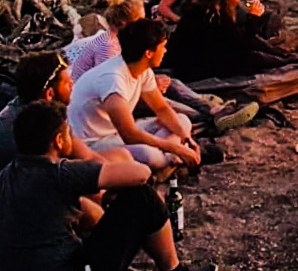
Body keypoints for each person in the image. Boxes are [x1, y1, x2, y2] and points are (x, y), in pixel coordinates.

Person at [0, 101, 216, 271]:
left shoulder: (6, 175)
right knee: (141, 197)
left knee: (83, 210)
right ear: (60, 140)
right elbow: (141, 172)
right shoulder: (61, 174)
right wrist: (86, 164)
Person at [0, 52, 106, 225]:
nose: (73, 86)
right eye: (67, 83)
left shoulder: (38, 110)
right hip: (7, 211)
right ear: (50, 93)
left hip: (34, 185)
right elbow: (52, 177)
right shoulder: (32, 127)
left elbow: (88, 157)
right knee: (92, 209)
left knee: (117, 160)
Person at [70, 18, 201, 173]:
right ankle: (170, 158)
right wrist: (175, 147)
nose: (165, 51)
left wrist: (187, 139)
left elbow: (161, 108)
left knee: (182, 121)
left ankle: (172, 158)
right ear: (149, 53)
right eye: (163, 47)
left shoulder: (142, 70)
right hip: (95, 142)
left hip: (116, 134)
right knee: (151, 156)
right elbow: (129, 134)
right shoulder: (113, 79)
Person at [162, 0, 292, 83]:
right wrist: (253, 17)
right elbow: (243, 44)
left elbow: (237, 36)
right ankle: (289, 62)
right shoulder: (210, 15)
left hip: (210, 56)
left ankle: (283, 57)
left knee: (256, 49)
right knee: (252, 58)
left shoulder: (218, 9)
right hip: (195, 67)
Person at [67, 0, 146, 80]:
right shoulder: (109, 47)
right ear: (124, 23)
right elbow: (105, 81)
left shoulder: (108, 37)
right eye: (140, 21)